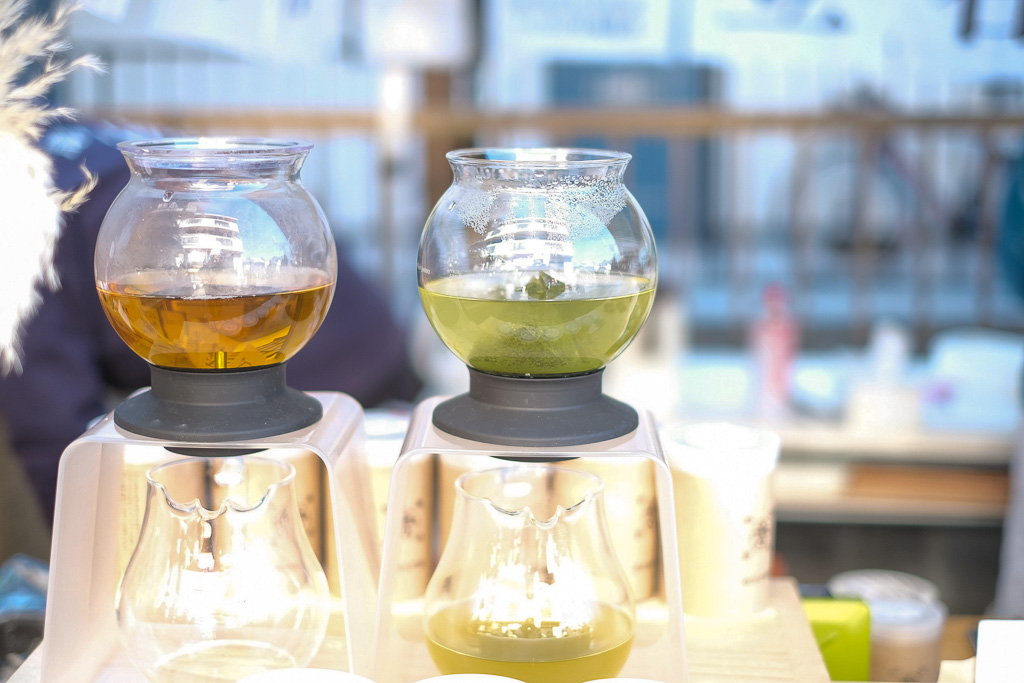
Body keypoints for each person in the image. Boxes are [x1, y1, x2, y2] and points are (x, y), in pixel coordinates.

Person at [0, 119, 422, 520]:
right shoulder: (61, 136)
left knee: (294, 523)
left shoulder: (16, 203)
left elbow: (49, 420)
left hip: (295, 384)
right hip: (366, 335)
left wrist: (87, 553)